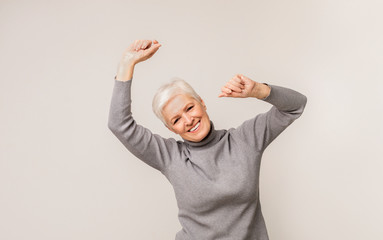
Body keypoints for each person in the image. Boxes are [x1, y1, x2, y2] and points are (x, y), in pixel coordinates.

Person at [108, 39, 307, 240]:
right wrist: (127, 63)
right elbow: (119, 124)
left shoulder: (245, 140)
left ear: (202, 103)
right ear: (170, 128)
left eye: (189, 108)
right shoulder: (170, 157)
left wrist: (258, 90)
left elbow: (296, 106)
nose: (188, 120)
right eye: (176, 119)